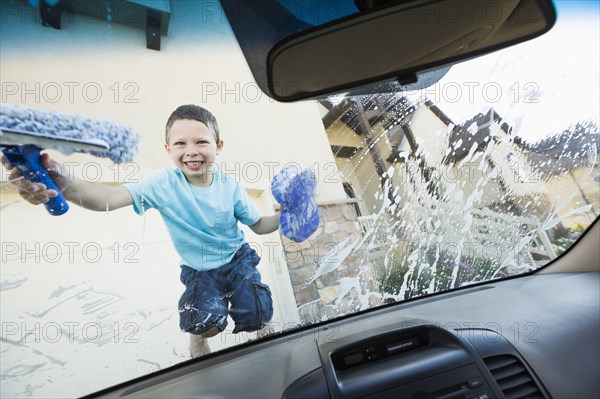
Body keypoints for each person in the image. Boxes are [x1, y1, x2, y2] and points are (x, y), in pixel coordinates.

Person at [1, 104, 281, 357]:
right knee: (202, 322)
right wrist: (60, 181)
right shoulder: (162, 183)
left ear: (218, 146)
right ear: (168, 149)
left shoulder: (230, 186)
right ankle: (197, 341)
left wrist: (283, 218)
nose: (191, 150)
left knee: (258, 311)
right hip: (199, 270)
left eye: (201, 142)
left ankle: (264, 326)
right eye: (180, 143)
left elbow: (259, 224)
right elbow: (106, 199)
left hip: (237, 260)